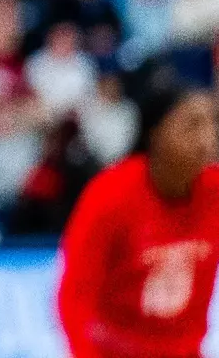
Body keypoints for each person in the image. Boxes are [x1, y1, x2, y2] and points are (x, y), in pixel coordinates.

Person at [57, 75, 219, 358]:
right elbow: (75, 297)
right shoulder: (111, 193)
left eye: (212, 123)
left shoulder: (213, 190)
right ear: (154, 132)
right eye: (192, 125)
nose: (207, 139)